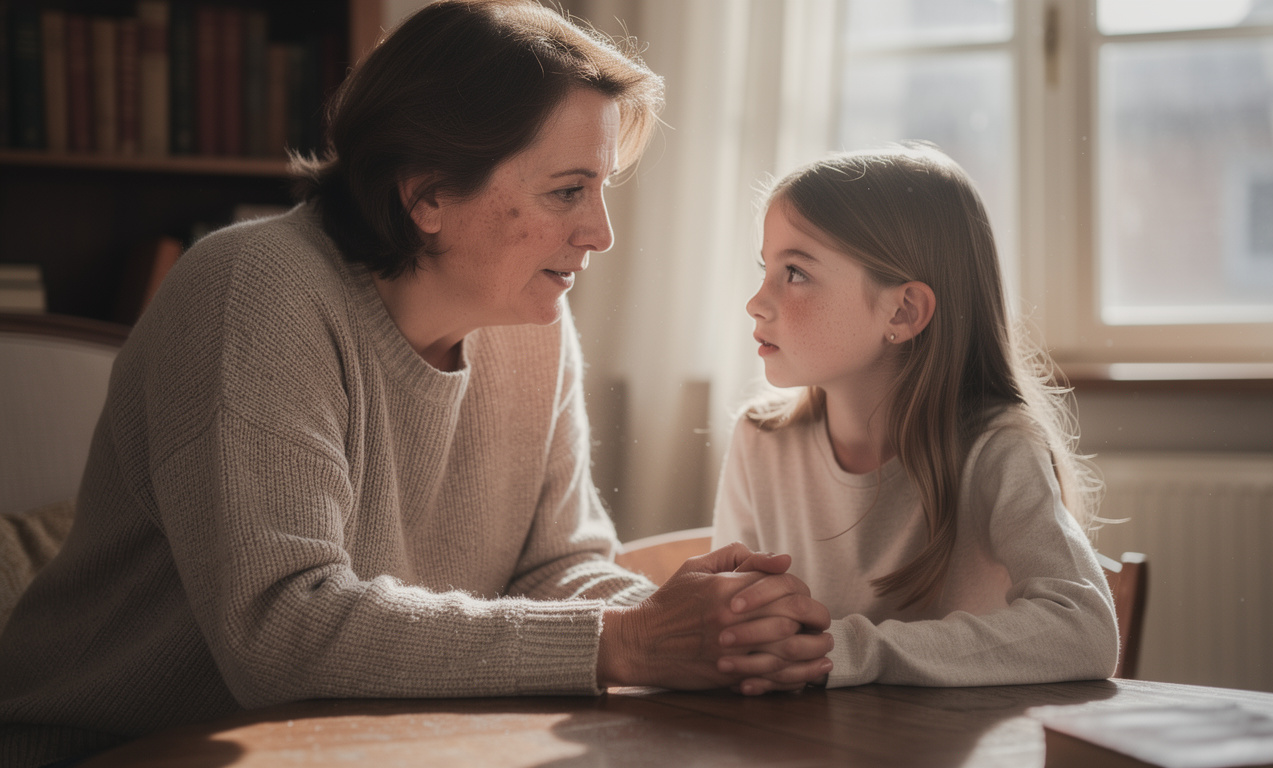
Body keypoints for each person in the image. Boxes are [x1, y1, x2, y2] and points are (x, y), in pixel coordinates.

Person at [0, 2, 831, 765]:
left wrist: (714, 633)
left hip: (364, 742)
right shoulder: (251, 289)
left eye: (602, 189)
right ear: (428, 192)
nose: (601, 233)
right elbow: (280, 631)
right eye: (569, 190)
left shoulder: (528, 325)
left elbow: (556, 568)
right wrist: (627, 642)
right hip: (114, 749)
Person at [711, 143, 1119, 692]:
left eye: (796, 273)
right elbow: (736, 624)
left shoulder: (995, 450)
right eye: (766, 268)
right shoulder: (760, 439)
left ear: (902, 312)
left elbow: (1086, 630)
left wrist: (847, 650)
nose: (756, 302)